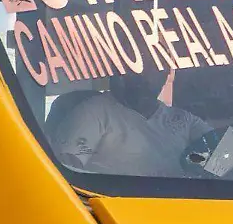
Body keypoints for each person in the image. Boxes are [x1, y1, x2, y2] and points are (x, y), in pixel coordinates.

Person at [51, 67, 212, 178]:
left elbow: (226, 154)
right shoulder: (93, 112)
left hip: (181, 209)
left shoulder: (182, 119)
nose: (145, 75)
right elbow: (66, 176)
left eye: (155, 68)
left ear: (165, 76)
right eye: (139, 69)